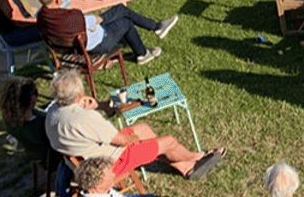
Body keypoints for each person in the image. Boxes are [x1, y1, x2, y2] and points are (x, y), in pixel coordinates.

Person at [44, 70, 223, 182]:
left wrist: (94, 105)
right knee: (168, 141)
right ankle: (199, 156)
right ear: (79, 94)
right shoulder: (85, 118)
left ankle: (185, 168)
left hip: (84, 160)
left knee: (144, 129)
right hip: (109, 163)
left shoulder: (51, 111)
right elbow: (122, 141)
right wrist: (133, 140)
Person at [38, 0, 176, 65]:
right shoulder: (72, 18)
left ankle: (152, 35)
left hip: (78, 42)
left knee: (121, 10)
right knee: (125, 20)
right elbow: (96, 20)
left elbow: (78, 24)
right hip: (97, 43)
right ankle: (145, 50)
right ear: (57, 1)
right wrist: (89, 22)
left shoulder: (42, 17)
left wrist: (86, 25)